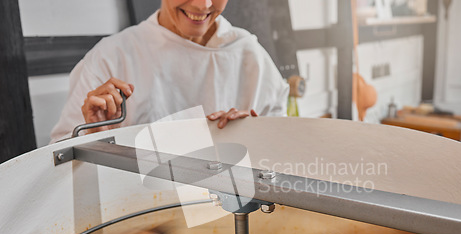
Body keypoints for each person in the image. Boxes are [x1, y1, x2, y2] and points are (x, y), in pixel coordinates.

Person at [50, 0, 289, 142]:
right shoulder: (111, 57)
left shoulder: (249, 54)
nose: (203, 5)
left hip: (235, 220)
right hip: (141, 219)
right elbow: (59, 161)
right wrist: (96, 138)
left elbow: (280, 152)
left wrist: (255, 137)